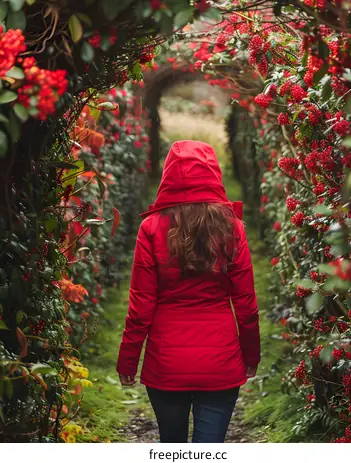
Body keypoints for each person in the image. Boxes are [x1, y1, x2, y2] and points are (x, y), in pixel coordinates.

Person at [116, 140, 261, 443]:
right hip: (220, 361)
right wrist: (251, 355)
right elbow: (246, 304)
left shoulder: (151, 228)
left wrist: (128, 360)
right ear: (214, 175)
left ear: (168, 176)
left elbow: (140, 306)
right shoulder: (232, 228)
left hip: (166, 363)